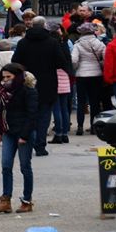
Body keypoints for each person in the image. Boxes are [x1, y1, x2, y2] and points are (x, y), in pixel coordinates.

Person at [12, 16, 67, 156]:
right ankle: (40, 144)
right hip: (48, 83)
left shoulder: (23, 43)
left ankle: (30, 140)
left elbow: (15, 62)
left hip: (28, 83)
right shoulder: (52, 43)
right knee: (44, 115)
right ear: (44, 26)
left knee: (29, 114)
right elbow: (61, 62)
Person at [0, 63, 39, 214]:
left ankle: (27, 200)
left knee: (25, 167)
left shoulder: (28, 91)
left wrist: (24, 135)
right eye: (3, 77)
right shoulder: (4, 91)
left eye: (8, 77)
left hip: (24, 133)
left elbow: (32, 115)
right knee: (6, 166)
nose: (5, 80)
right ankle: (5, 200)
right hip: (8, 132)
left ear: (17, 76)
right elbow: (1, 111)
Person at [71, 23, 106, 135]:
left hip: (81, 76)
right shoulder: (100, 44)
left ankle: (80, 127)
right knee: (94, 102)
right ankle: (93, 126)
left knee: (81, 102)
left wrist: (77, 68)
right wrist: (100, 64)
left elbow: (74, 60)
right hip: (96, 75)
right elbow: (106, 58)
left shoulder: (78, 44)